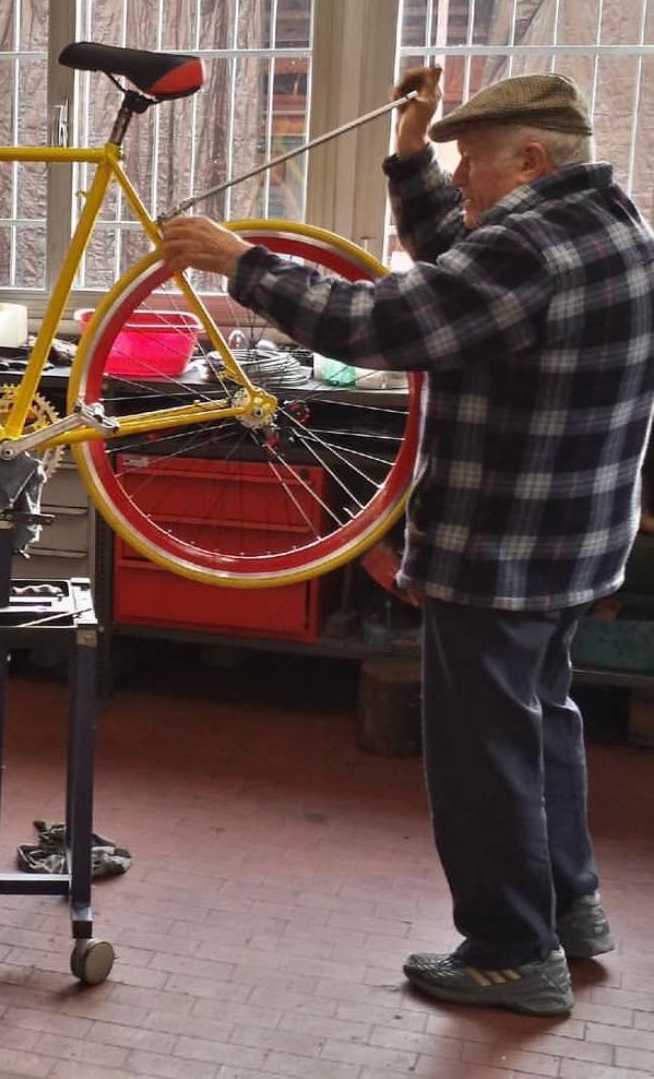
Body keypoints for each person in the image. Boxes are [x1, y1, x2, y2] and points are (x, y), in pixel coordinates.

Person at [159, 68, 654, 1017]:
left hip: (501, 546)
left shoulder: (531, 251)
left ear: (532, 159)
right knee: (540, 721)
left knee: (482, 752)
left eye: (470, 161)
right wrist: (413, 148)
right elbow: (461, 275)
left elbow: (386, 319)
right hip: (571, 543)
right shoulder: (604, 222)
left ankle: (513, 952)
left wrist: (242, 261)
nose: (460, 179)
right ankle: (568, 905)